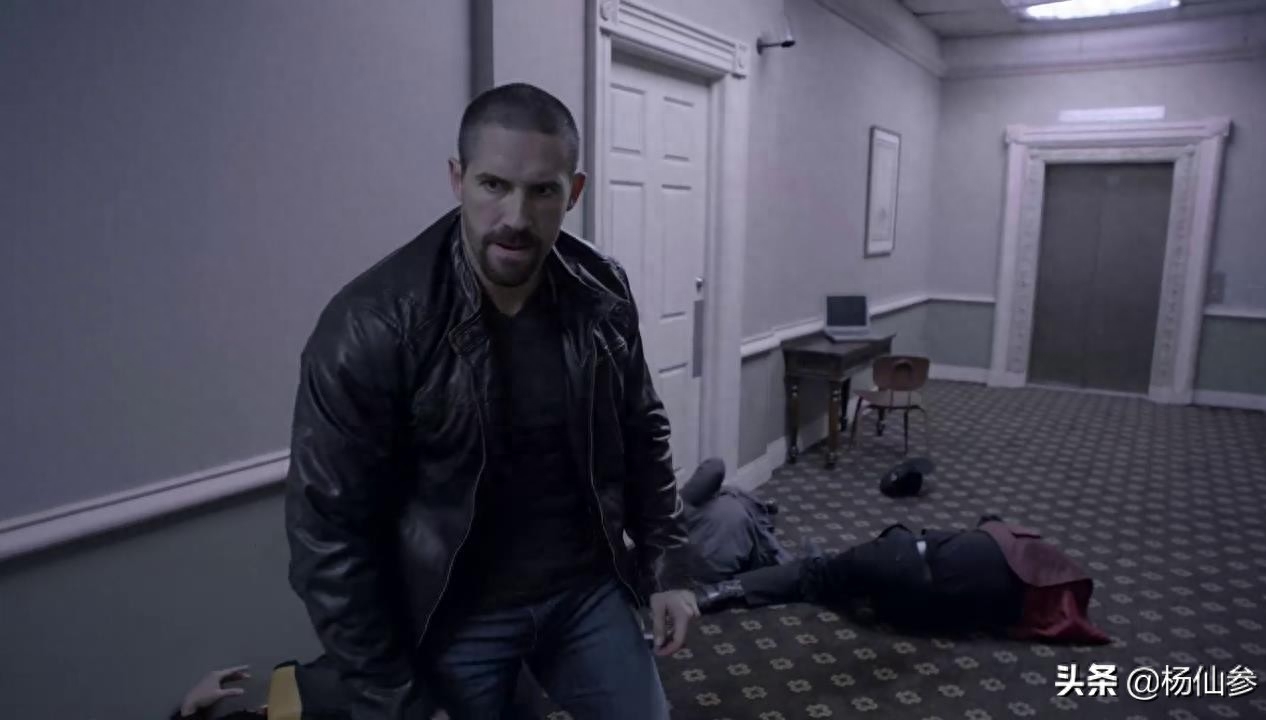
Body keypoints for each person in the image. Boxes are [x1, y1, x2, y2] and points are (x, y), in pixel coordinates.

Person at [284, 82, 700, 720]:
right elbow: (327, 534)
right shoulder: (372, 324)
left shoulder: (602, 292)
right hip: (454, 614)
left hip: (584, 592)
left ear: (574, 192)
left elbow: (642, 428)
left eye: (542, 191)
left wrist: (666, 569)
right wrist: (395, 700)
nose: (516, 217)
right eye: (493, 185)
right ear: (458, 179)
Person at [692, 515, 1111, 644]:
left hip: (899, 560)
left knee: (815, 573)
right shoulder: (1013, 605)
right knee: (852, 584)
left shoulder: (998, 539)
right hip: (915, 613)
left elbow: (967, 531)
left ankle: (718, 592)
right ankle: (839, 583)